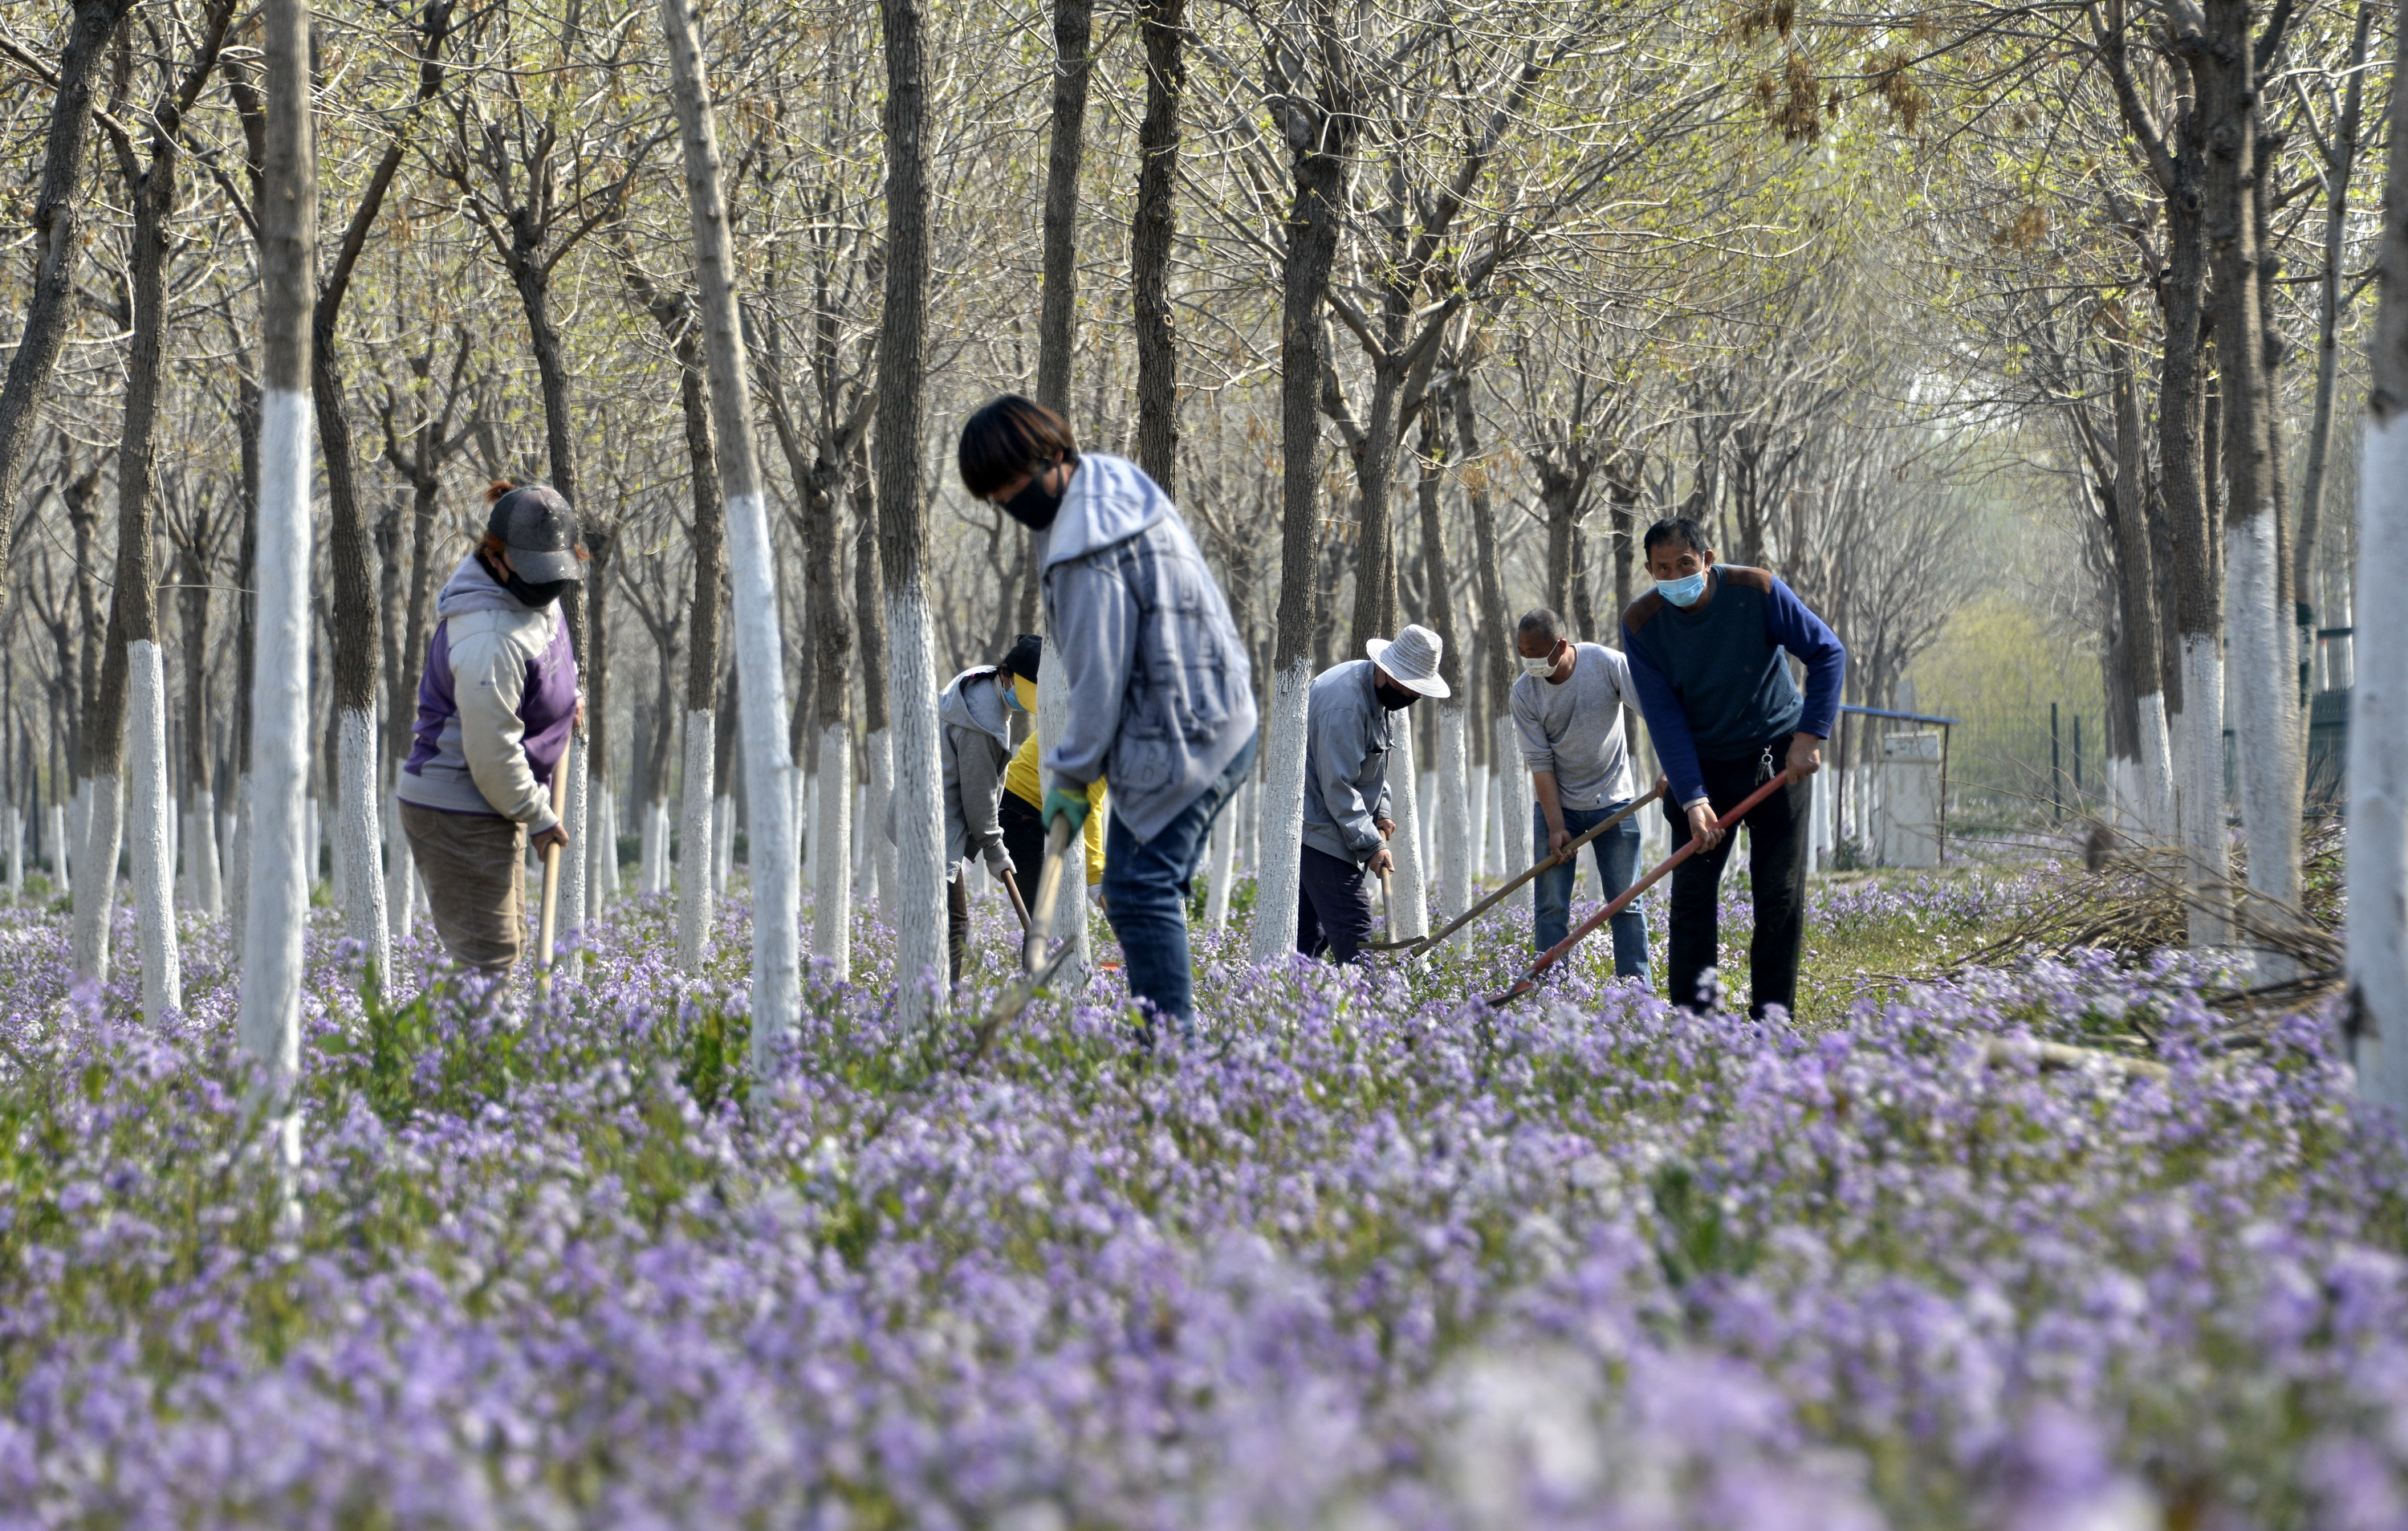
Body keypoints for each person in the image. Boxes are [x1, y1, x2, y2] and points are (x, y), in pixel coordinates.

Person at [958, 395, 1256, 1036]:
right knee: (1133, 885)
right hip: (1216, 709)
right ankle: (1168, 1045)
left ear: (1048, 455)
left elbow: (1099, 682)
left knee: (1142, 890)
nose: (1008, 501)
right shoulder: (1113, 480)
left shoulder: (1081, 547)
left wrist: (1067, 775)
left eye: (1010, 483)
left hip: (1182, 731)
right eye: (995, 496)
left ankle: (1173, 1057)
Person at [1620, 516, 1845, 1018]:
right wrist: (1693, 796)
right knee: (1693, 898)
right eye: (1662, 568)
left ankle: (1772, 1019)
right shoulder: (1641, 623)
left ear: (1708, 559)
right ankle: (1695, 1020)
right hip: (1700, 766)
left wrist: (1809, 736)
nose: (1675, 576)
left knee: (1777, 894)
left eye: (1685, 564)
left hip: (1776, 758)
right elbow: (1663, 716)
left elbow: (1827, 653)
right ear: (1650, 571)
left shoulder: (1757, 590)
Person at [397, 482, 584, 976]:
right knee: (488, 962)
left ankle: (478, 1051)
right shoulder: (488, 634)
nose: (548, 584)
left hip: (494, 801)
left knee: (505, 948)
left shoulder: (535, 588)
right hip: (459, 805)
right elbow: (491, 754)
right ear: (497, 557)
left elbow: (550, 650)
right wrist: (539, 818)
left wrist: (569, 699)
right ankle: (446, 1055)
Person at [1511, 606, 1650, 980]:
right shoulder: (1524, 693)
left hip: (1615, 801)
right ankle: (1550, 989)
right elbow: (1540, 763)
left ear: (1561, 647)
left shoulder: (1606, 664)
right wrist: (1556, 826)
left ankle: (1637, 994)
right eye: (1523, 652)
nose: (1530, 661)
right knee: (1552, 907)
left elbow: (1655, 711)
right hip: (1560, 805)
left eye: (1537, 653)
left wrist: (1676, 770)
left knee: (1626, 903)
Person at [1297, 624, 1448, 963]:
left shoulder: (1377, 694)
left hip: (1336, 821)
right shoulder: (1346, 707)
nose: (1413, 696)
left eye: (1418, 689)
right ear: (1385, 669)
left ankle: (1298, 1006)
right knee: (1353, 927)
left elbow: (1372, 763)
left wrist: (1382, 810)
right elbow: (1338, 787)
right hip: (1319, 826)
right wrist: (1372, 844)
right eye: (1408, 686)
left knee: (1306, 937)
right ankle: (1367, 1007)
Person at [994, 633, 1107, 909]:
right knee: (1046, 914)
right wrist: (1096, 876)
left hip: (1042, 806)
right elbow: (1087, 803)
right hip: (1020, 809)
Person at [932, 657, 1020, 985]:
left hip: (936, 814)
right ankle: (940, 1008)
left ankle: (935, 1001)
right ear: (1006, 675)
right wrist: (994, 848)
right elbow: (978, 791)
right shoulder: (982, 718)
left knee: (947, 923)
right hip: (936, 822)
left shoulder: (979, 682)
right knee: (954, 925)